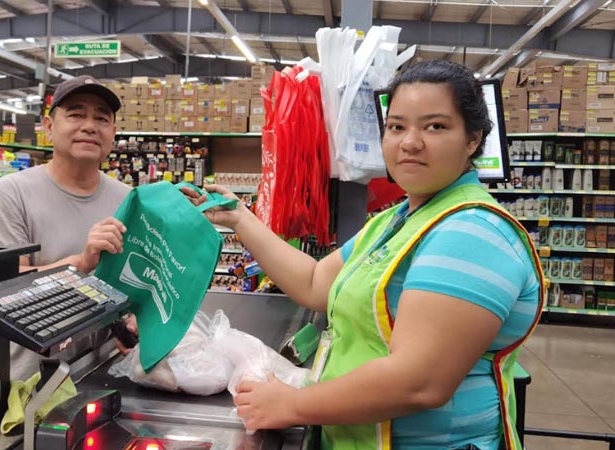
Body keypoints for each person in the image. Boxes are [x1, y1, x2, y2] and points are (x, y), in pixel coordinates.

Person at [184, 60, 543, 450]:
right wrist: (240, 219)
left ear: (473, 140)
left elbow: (420, 381)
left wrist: (294, 405)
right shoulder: (397, 219)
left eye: (435, 126)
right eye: (397, 126)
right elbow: (315, 283)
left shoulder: (473, 233)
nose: (410, 142)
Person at [0, 75, 131, 380]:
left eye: (101, 118)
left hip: (103, 369)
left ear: (113, 134)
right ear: (49, 128)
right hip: (27, 385)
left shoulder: (127, 200)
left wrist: (136, 318)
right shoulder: (11, 193)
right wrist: (79, 264)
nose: (89, 126)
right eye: (76, 114)